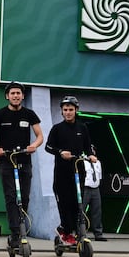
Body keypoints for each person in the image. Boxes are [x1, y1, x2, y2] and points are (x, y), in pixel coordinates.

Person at [0, 81, 43, 249]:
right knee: (11, 197)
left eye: (18, 93)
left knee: (24, 197)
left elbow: (39, 135)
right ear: (7, 96)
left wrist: (34, 146)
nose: (15, 96)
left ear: (23, 96)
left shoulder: (29, 114)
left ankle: (23, 230)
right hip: (6, 161)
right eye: (12, 93)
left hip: (24, 160)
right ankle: (15, 234)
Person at [45, 96, 103, 244]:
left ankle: (78, 232)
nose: (68, 112)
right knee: (64, 204)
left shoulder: (82, 128)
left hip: (78, 171)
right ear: (62, 112)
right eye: (65, 110)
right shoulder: (57, 128)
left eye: (71, 109)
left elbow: (88, 145)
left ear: (76, 110)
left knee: (78, 204)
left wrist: (91, 154)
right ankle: (65, 229)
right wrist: (60, 152)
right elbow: (48, 147)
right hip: (62, 174)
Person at [82, 156, 106, 242]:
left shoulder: (98, 162)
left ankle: (98, 234)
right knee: (81, 211)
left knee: (97, 211)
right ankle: (81, 233)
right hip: (85, 188)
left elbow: (99, 177)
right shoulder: (82, 161)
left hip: (95, 188)